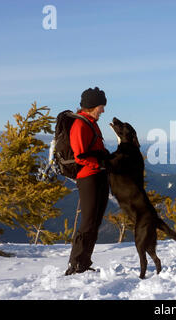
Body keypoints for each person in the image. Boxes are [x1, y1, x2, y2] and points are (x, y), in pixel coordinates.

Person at [65, 87, 110, 275]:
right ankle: (75, 264)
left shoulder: (92, 123)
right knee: (88, 221)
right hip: (88, 178)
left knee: (95, 221)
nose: (103, 110)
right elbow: (80, 155)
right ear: (92, 106)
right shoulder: (80, 125)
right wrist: (99, 164)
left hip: (98, 175)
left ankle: (84, 263)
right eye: (101, 106)